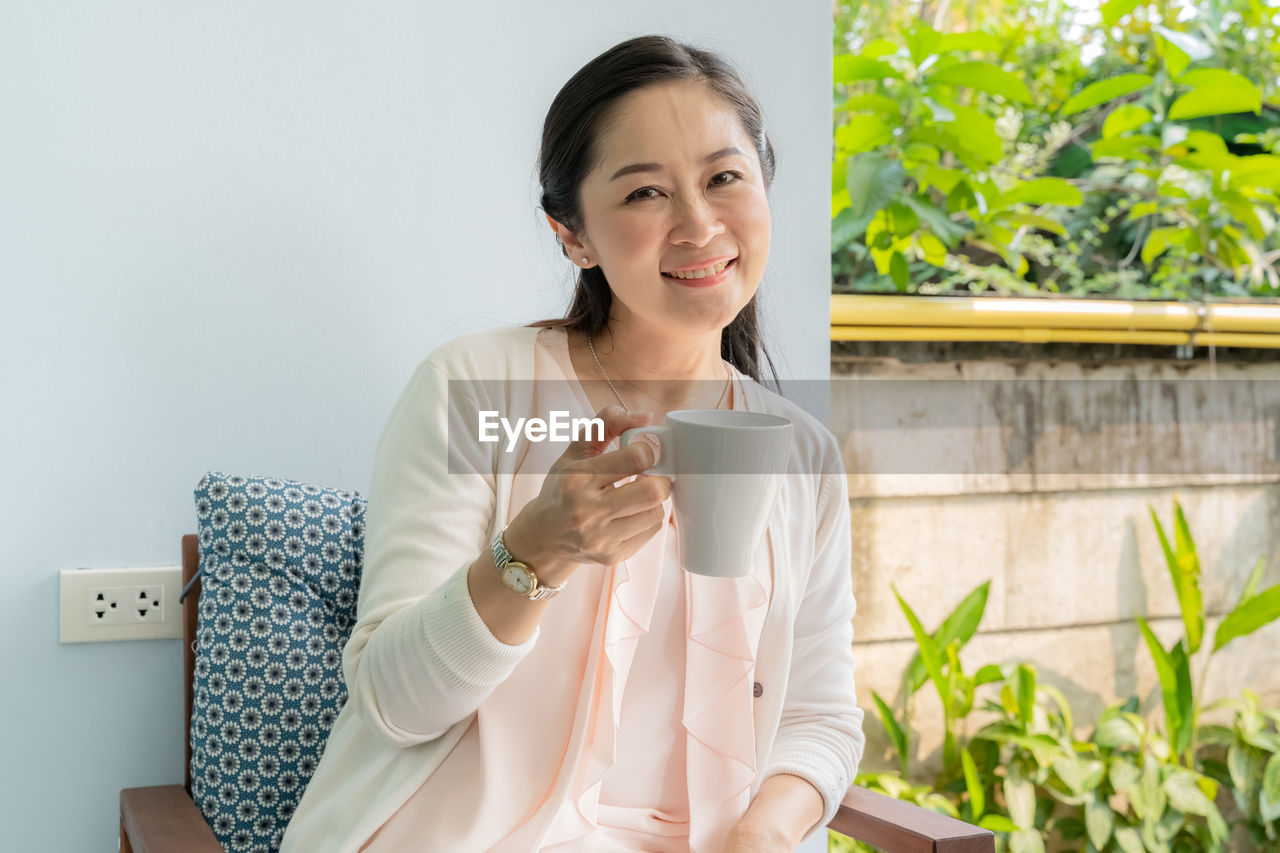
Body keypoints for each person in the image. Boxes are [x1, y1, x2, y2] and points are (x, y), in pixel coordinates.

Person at [279, 34, 864, 853]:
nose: (699, 224)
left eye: (725, 177)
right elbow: (394, 702)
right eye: (644, 194)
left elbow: (819, 714)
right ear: (574, 235)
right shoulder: (475, 387)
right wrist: (533, 552)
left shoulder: (801, 451)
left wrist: (765, 830)